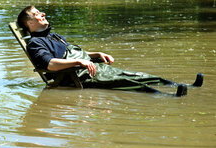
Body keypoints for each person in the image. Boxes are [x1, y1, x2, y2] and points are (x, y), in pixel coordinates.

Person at [17, 6, 203, 96]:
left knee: (136, 75)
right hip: (81, 74)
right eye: (37, 14)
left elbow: (72, 53)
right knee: (126, 81)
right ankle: (169, 97)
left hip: (93, 68)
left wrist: (96, 54)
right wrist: (80, 62)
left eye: (41, 12)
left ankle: (179, 85)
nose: (43, 15)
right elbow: (50, 64)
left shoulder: (54, 36)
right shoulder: (36, 44)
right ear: (31, 23)